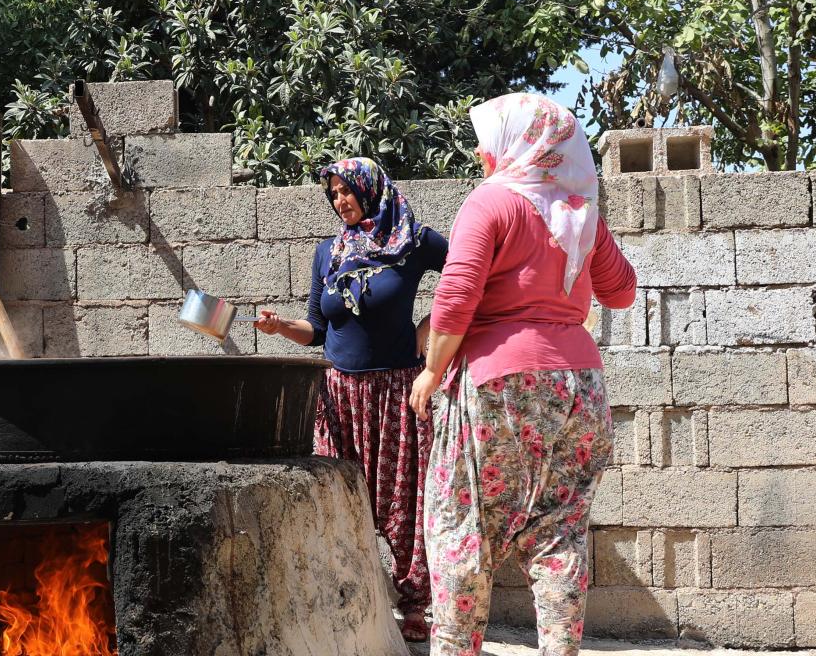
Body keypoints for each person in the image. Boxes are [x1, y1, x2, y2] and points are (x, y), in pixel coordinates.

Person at [408, 93, 637, 656]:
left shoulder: (492, 202)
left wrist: (432, 370)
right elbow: (622, 292)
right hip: (579, 387)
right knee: (560, 535)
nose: (485, 155)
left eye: (490, 142)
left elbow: (457, 294)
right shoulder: (581, 213)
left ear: (517, 143)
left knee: (462, 526)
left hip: (499, 386)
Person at [256, 156, 447, 641]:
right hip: (338, 396)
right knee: (337, 500)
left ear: (370, 189)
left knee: (402, 504)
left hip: (395, 394)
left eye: (346, 191)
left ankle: (413, 606)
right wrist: (279, 327)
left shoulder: (412, 241)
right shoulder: (328, 252)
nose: (340, 201)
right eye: (334, 194)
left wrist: (428, 330)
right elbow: (316, 330)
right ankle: (341, 599)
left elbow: (468, 275)